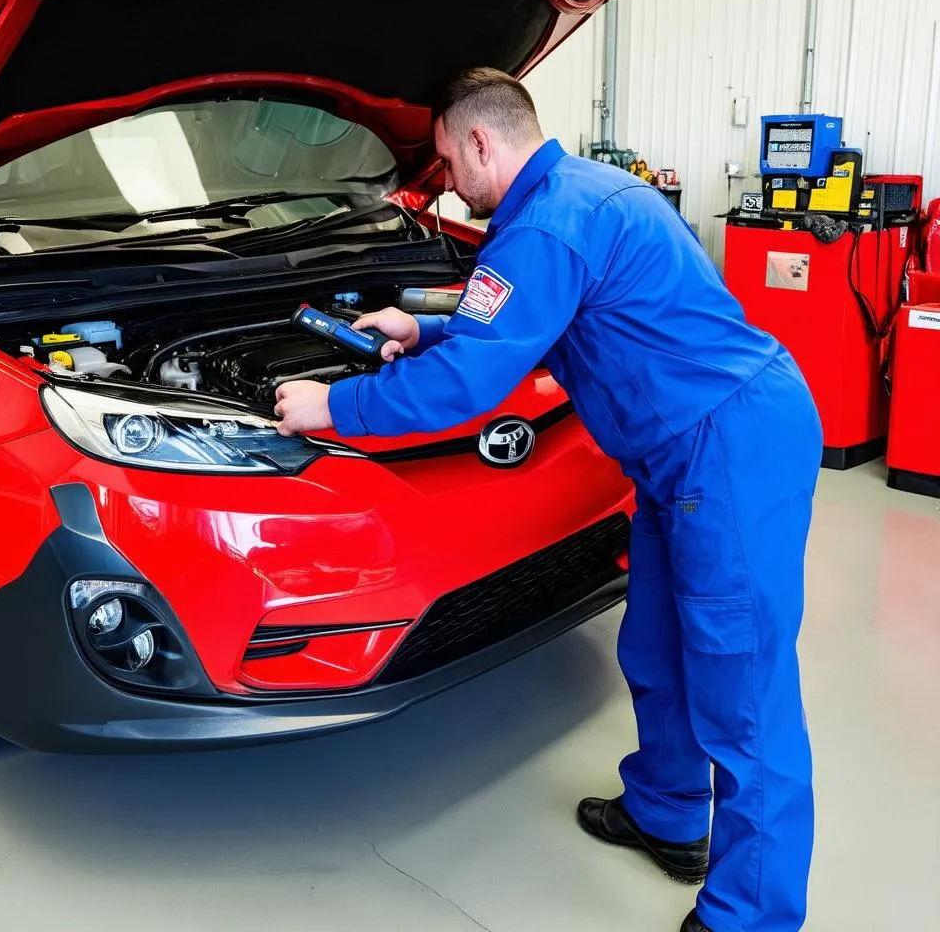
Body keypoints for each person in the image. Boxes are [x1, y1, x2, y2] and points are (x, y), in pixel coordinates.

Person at [274, 67, 821, 932]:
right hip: (679, 449)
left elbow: (465, 388)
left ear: (483, 142)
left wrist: (331, 406)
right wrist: (427, 324)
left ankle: (752, 912)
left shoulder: (547, 227)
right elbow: (525, 318)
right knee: (657, 642)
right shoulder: (571, 198)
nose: (448, 181)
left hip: (728, 447)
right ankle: (670, 810)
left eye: (451, 161)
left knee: (743, 688)